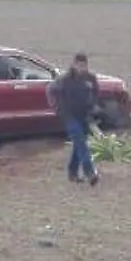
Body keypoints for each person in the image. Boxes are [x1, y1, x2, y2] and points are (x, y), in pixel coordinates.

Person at [47, 52, 100, 186]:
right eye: (79, 65)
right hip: (69, 116)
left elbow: (95, 93)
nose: (82, 68)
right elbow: (50, 90)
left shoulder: (90, 78)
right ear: (74, 64)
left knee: (78, 144)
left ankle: (72, 172)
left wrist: (93, 105)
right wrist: (57, 109)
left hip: (84, 115)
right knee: (81, 143)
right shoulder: (64, 79)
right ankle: (90, 172)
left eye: (84, 65)